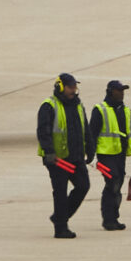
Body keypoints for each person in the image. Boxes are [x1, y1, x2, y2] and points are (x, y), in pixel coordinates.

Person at [37, 72, 92, 239]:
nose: (74, 90)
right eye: (70, 87)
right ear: (60, 87)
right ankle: (61, 228)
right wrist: (49, 152)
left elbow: (85, 129)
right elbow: (43, 131)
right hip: (57, 159)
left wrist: (90, 149)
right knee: (60, 191)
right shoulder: (49, 106)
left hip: (75, 156)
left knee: (83, 186)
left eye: (75, 87)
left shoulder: (78, 105)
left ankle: (59, 217)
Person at [89, 80, 131, 230]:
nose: (122, 93)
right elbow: (92, 133)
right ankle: (108, 219)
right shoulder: (100, 109)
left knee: (118, 184)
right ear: (111, 92)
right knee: (112, 183)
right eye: (119, 91)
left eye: (123, 91)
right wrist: (92, 155)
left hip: (120, 154)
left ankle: (113, 217)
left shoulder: (124, 110)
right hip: (105, 154)